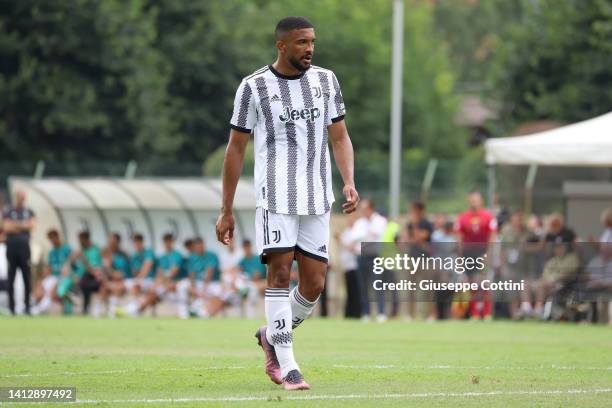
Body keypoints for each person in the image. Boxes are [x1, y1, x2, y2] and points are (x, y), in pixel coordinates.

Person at [215, 16, 359, 390]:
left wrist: (349, 182)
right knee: (279, 275)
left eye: (312, 41)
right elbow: (236, 148)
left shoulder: (327, 81)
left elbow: (340, 138)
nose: (309, 48)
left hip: (317, 198)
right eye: (301, 42)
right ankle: (288, 364)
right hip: (276, 198)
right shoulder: (253, 87)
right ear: (281, 45)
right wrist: (226, 209)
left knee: (314, 285)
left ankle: (271, 336)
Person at [454, 191, 497, 320]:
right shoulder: (462, 217)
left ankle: (487, 312)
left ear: (481, 201)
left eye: (476, 200)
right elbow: (458, 237)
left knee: (484, 282)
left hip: (483, 252)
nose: (474, 202)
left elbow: (493, 236)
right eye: (472, 200)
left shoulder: (488, 217)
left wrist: (488, 254)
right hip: (468, 253)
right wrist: (460, 256)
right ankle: (475, 313)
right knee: (472, 284)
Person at [352, 199, 387, 322]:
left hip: (374, 257)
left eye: (365, 208)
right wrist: (367, 234)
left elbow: (377, 235)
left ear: (371, 209)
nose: (363, 211)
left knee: (377, 285)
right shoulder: (359, 222)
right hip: (361, 256)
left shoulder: (380, 220)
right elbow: (355, 237)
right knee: (363, 286)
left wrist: (365, 235)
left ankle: (381, 313)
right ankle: (366, 313)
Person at [2, 190, 36, 315]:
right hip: (11, 248)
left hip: (24, 249)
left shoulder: (29, 211)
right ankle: (12, 308)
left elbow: (31, 225)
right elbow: (6, 227)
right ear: (16, 197)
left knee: (26, 277)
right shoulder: (8, 211)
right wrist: (23, 225)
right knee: (11, 277)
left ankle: (27, 307)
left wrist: (15, 225)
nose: (21, 199)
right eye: (19, 197)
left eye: (23, 197)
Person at [31, 229, 71, 315]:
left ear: (57, 237)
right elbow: (49, 268)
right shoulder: (51, 252)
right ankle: (30, 305)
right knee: (39, 286)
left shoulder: (67, 249)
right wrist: (42, 279)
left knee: (51, 288)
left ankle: (41, 309)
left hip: (64, 277)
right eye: (50, 239)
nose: (52, 241)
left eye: (53, 238)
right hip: (53, 277)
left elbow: (71, 265)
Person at [71, 231, 104, 315]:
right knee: (79, 280)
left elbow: (94, 270)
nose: (80, 243)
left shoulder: (95, 250)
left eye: (81, 240)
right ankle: (80, 303)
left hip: (94, 277)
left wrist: (83, 258)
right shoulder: (80, 251)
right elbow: (74, 267)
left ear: (87, 240)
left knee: (85, 282)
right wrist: (72, 261)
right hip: (82, 277)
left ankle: (83, 304)